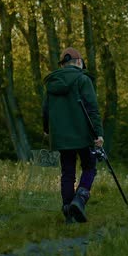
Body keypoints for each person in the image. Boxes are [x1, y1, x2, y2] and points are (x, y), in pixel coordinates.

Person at [42, 47, 104, 224]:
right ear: (78, 62)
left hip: (61, 137)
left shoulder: (52, 82)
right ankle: (80, 199)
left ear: (63, 65)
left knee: (67, 172)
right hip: (84, 135)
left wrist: (47, 129)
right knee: (89, 167)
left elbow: (45, 110)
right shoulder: (83, 79)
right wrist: (99, 134)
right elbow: (92, 109)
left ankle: (68, 209)